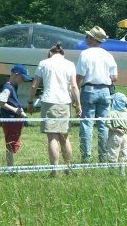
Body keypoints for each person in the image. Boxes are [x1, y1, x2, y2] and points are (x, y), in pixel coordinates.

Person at [28, 42, 82, 176]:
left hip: (48, 101)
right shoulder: (70, 64)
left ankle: (54, 170)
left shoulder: (43, 63)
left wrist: (30, 102)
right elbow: (74, 86)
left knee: (52, 137)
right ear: (62, 54)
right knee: (64, 136)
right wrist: (78, 104)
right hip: (65, 102)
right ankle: (68, 167)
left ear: (50, 53)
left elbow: (34, 85)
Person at [76, 26, 118, 163]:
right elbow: (114, 77)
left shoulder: (85, 54)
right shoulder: (108, 55)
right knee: (103, 125)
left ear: (92, 38)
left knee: (87, 124)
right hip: (105, 90)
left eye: (87, 36)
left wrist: (75, 92)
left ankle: (86, 157)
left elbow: (80, 76)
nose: (86, 38)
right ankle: (103, 156)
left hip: (89, 90)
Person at [0, 64, 33, 167]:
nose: (23, 81)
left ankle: (10, 166)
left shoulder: (12, 87)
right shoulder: (8, 87)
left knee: (12, 144)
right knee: (11, 144)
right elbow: (0, 101)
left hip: (13, 121)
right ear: (16, 75)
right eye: (22, 78)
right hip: (10, 120)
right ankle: (10, 167)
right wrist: (16, 110)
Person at [107, 92, 127, 174]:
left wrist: (115, 129)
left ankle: (112, 172)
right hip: (125, 136)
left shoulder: (111, 113)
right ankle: (122, 172)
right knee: (124, 153)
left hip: (115, 136)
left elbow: (107, 124)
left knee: (113, 153)